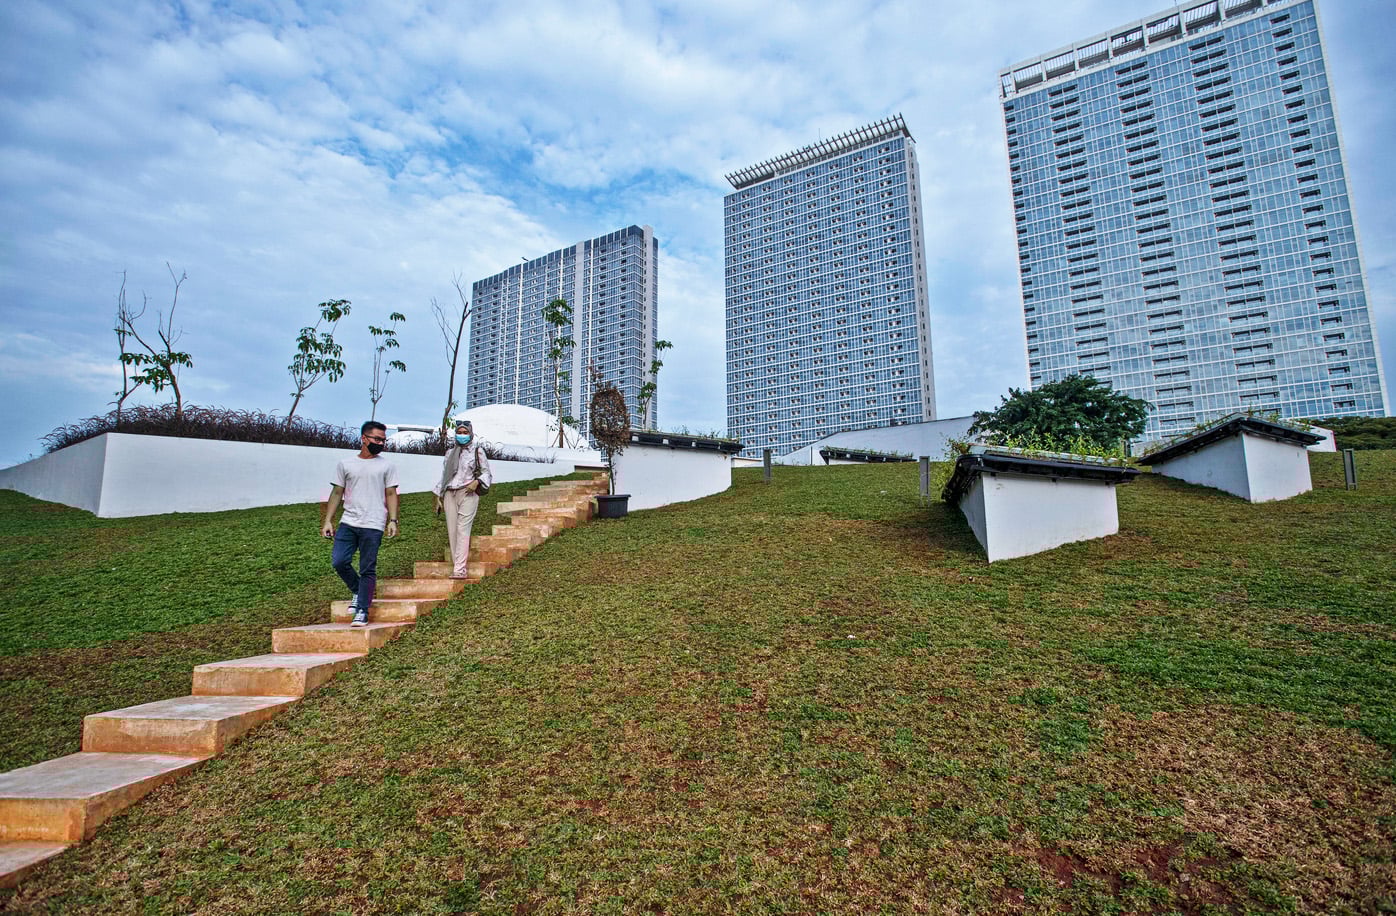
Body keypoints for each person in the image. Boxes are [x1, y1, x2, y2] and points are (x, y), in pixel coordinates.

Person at [321, 421, 400, 627]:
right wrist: (328, 520)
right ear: (364, 438)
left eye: (383, 440)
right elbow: (337, 492)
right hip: (348, 521)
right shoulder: (345, 464)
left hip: (374, 523)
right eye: (377, 439)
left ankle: (362, 610)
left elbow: (391, 493)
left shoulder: (387, 466)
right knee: (339, 561)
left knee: (368, 568)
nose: (381, 443)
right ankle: (358, 590)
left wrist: (392, 520)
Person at [433, 419, 493, 579]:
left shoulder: (477, 451)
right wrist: (439, 495)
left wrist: (477, 482)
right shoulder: (449, 453)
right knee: (452, 531)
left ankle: (459, 570)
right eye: (459, 433)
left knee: (462, 530)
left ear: (471, 433)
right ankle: (457, 566)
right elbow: (445, 475)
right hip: (449, 493)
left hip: (468, 492)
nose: (462, 435)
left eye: (465, 432)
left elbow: (486, 472)